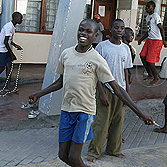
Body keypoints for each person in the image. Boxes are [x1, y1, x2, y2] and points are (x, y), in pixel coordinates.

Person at [29, 19, 154, 167]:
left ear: (95, 35)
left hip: (84, 112)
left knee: (74, 157)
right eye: (81, 29)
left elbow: (116, 88)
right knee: (63, 155)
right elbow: (60, 82)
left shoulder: (97, 59)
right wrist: (39, 94)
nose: (83, 33)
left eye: (88, 31)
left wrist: (140, 113)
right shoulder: (66, 54)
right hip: (67, 110)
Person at [87, 19, 135, 162]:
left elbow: (125, 71)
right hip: (106, 89)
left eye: (122, 28)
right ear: (111, 30)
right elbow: (95, 71)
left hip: (120, 91)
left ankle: (113, 150)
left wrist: (127, 91)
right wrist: (101, 92)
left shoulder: (126, 49)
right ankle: (94, 152)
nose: (119, 30)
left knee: (117, 122)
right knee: (101, 122)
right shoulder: (102, 47)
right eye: (116, 28)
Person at [138, 1, 166, 86]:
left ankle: (156, 77)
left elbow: (161, 29)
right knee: (142, 56)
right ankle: (150, 75)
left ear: (153, 8)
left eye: (148, 7)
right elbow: (149, 30)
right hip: (149, 39)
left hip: (156, 40)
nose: (147, 8)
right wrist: (141, 39)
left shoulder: (155, 16)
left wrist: (164, 41)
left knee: (150, 61)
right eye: (146, 7)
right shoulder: (147, 17)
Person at [0, 12, 23, 91]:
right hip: (1, 49)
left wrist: (15, 45)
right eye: (20, 18)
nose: (21, 20)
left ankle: (8, 87)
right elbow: (5, 42)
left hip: (5, 49)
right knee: (2, 67)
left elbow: (8, 40)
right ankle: (7, 87)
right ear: (15, 18)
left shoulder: (12, 27)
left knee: (9, 67)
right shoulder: (9, 26)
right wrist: (12, 54)